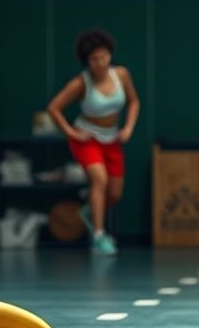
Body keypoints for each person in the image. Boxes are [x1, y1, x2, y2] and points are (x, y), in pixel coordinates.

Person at [47, 29, 139, 255]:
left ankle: (89, 211)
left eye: (104, 56)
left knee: (114, 193)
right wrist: (71, 133)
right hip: (87, 139)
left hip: (112, 138)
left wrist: (128, 128)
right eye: (94, 59)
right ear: (87, 61)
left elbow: (134, 101)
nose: (100, 63)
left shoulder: (122, 75)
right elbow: (54, 108)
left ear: (110, 55)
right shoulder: (80, 83)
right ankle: (98, 236)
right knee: (100, 180)